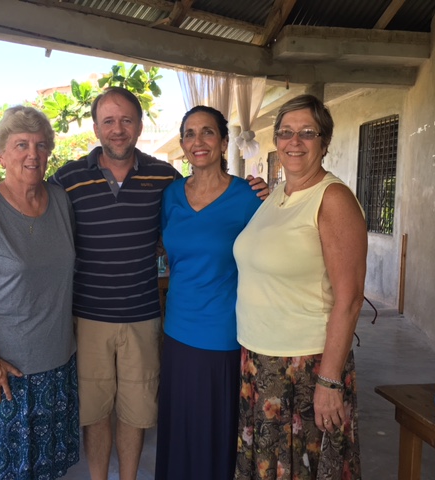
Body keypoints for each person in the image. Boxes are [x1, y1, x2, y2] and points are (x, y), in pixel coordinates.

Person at [0, 88, 268, 480]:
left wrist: (258, 189)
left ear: (140, 126)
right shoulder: (68, 179)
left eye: (126, 120)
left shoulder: (166, 179)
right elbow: (26, 188)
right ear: (95, 128)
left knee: (136, 412)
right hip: (88, 318)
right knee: (95, 412)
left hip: (143, 316)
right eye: (108, 121)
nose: (118, 129)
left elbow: (200, 211)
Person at [232, 94, 366, 479]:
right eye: (286, 132)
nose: (295, 141)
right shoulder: (277, 194)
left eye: (308, 132)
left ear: (324, 142)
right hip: (261, 362)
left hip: (305, 369)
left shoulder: (333, 198)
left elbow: (351, 299)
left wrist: (329, 380)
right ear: (275, 140)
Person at [0, 106, 79, 479]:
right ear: (2, 154)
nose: (32, 154)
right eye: (21, 144)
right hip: (4, 373)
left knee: (46, 468)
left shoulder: (60, 201)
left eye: (41, 145)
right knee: (2, 469)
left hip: (56, 365)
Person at [155, 106, 262, 480]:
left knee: (216, 433)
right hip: (177, 333)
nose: (197, 141)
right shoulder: (170, 196)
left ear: (223, 141)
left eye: (207, 132)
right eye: (189, 133)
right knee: (180, 430)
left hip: (224, 337)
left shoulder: (249, 197)